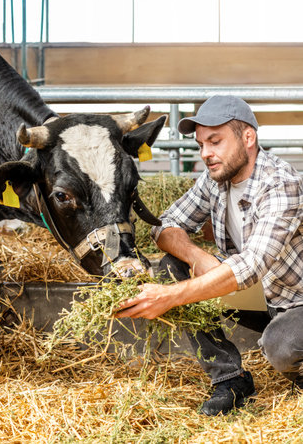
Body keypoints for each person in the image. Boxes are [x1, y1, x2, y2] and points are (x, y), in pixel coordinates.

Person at [115, 95, 303, 416]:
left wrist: (171, 297)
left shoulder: (281, 184)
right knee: (174, 266)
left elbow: (250, 266)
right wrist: (197, 257)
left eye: (215, 141)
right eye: (201, 144)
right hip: (258, 297)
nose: (205, 154)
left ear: (248, 138)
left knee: (280, 345)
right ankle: (230, 379)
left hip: (295, 302)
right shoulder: (217, 178)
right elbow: (164, 226)